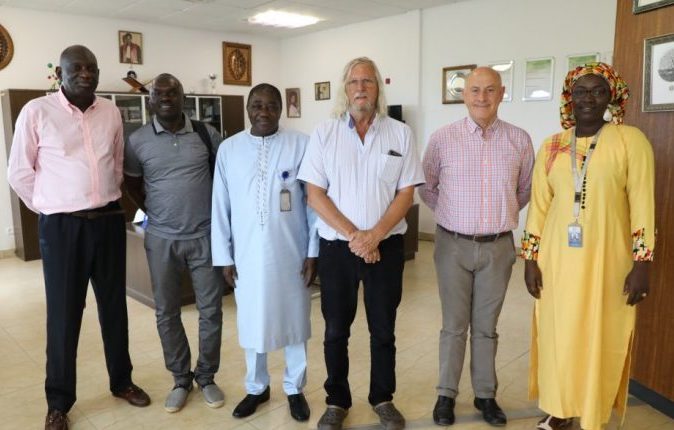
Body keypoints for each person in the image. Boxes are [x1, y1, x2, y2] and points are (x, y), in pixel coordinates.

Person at [6, 45, 151, 430]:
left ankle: (122, 381)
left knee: (113, 309)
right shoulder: (37, 111)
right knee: (64, 314)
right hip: (63, 227)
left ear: (98, 73)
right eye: (77, 68)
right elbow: (19, 172)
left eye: (92, 68)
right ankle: (58, 402)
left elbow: (117, 164)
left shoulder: (111, 112)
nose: (85, 73)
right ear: (61, 74)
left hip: (107, 221)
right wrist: (52, 207)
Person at [521, 62, 655, 430]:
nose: (588, 99)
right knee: (558, 334)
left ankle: (593, 411)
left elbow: (643, 204)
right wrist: (530, 259)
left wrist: (642, 263)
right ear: (569, 97)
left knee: (599, 332)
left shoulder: (630, 141)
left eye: (597, 91)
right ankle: (560, 408)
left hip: (608, 260)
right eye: (581, 91)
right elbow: (539, 206)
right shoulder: (552, 146)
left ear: (611, 96)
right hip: (557, 260)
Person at [298, 57, 424, 430]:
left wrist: (375, 236)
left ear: (378, 89)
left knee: (383, 328)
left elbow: (406, 195)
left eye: (368, 81)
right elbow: (315, 195)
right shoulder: (324, 133)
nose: (361, 88)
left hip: (386, 247)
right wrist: (357, 236)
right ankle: (337, 400)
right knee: (336, 329)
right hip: (338, 249)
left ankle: (382, 397)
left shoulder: (400, 133)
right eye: (354, 81)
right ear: (344, 88)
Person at [419, 66, 534, 427]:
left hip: (499, 247)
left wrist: (496, 217)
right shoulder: (442, 139)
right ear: (463, 95)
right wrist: (454, 216)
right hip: (452, 245)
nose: (481, 97)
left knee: (486, 327)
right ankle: (445, 395)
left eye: (489, 90)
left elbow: (525, 189)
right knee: (454, 325)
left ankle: (486, 395)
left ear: (501, 94)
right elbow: (427, 185)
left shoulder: (519, 139)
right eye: (474, 90)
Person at [211, 83, 318, 422]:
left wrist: (313, 252)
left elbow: (313, 204)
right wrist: (224, 257)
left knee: (295, 321)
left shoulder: (301, 143)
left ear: (281, 109)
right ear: (247, 108)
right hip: (246, 255)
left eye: (271, 105)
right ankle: (257, 387)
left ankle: (294, 387)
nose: (264, 111)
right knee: (252, 320)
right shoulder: (229, 149)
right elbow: (220, 206)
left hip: (292, 252)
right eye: (257, 104)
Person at [124, 73, 226, 413]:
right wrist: (154, 210)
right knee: (167, 312)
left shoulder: (205, 134)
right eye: (159, 93)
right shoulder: (137, 141)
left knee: (210, 311)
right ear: (150, 100)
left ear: (183, 97)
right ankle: (181, 378)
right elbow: (132, 185)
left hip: (205, 237)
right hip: (162, 239)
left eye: (173, 92)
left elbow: (222, 180)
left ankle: (207, 377)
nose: (166, 97)